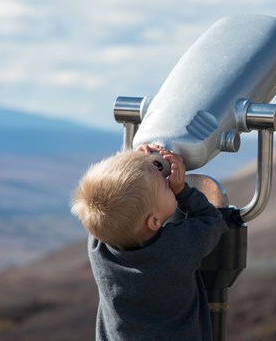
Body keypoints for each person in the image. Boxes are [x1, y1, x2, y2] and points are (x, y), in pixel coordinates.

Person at [70, 144, 228, 340]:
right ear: (153, 221)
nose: (167, 182)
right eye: (164, 186)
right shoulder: (178, 247)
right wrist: (182, 191)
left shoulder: (99, 248)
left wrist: (134, 165)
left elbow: (110, 210)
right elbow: (212, 220)